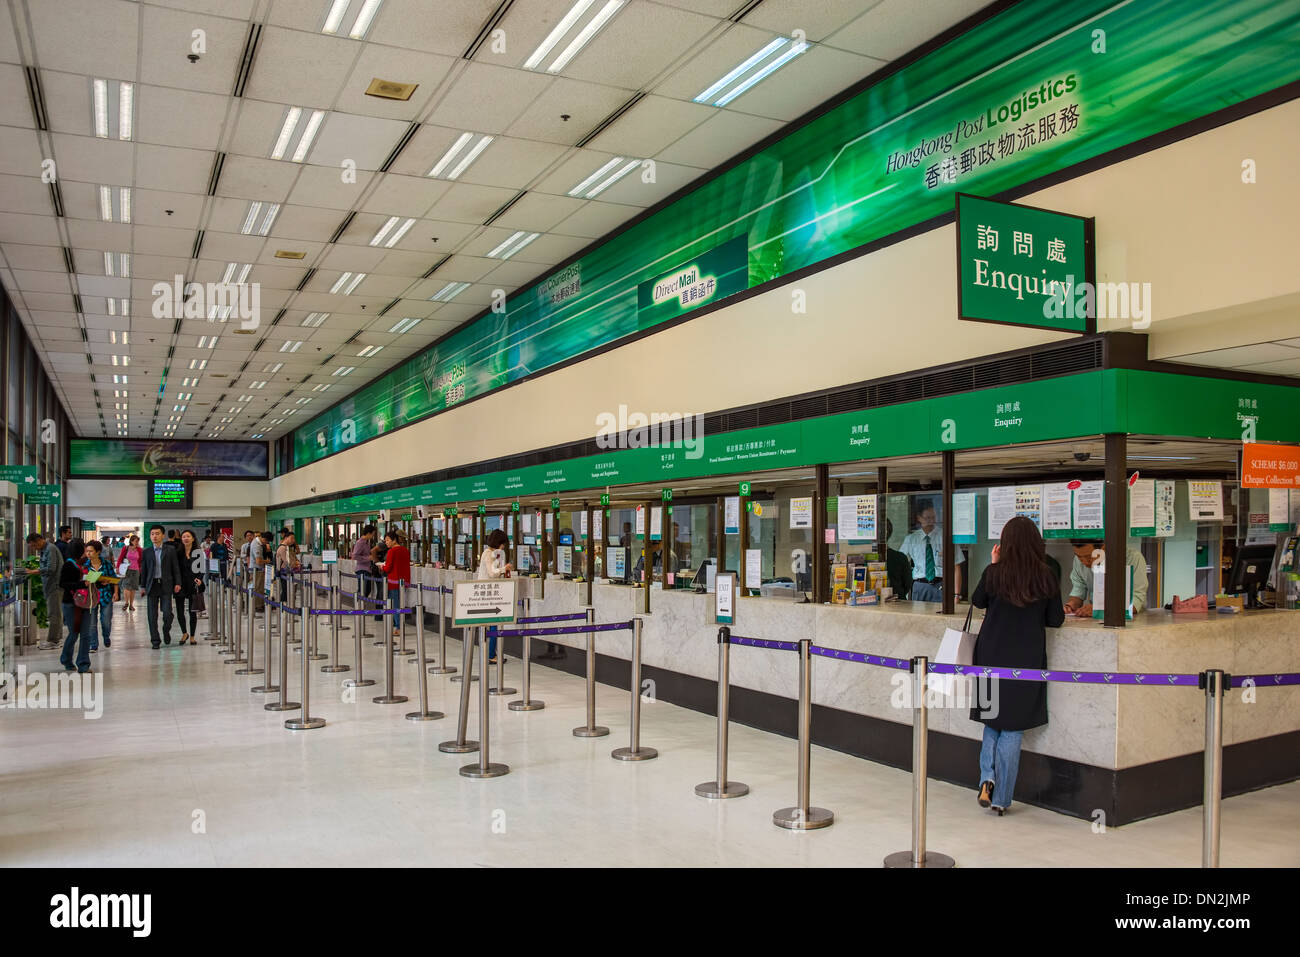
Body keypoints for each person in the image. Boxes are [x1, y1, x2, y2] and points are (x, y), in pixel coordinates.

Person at [968, 516, 1064, 816]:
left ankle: (987, 778)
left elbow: (977, 601)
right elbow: (1055, 619)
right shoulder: (1045, 575)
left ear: (1005, 543)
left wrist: (994, 562)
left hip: (990, 656)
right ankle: (1002, 799)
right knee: (1012, 728)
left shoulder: (994, 572)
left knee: (992, 719)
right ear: (1036, 542)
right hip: (1026, 659)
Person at [1064, 538, 1148, 618]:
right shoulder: (1078, 561)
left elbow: (1136, 601)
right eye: (1079, 556)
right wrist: (1071, 605)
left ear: (1103, 549)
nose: (1085, 562)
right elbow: (1078, 590)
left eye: (1089, 557)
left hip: (1129, 620)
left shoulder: (1133, 558)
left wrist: (1100, 608)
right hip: (1095, 620)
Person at [899, 502, 963, 602]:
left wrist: (957, 594)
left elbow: (956, 567)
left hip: (941, 585)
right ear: (919, 518)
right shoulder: (911, 539)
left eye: (933, 517)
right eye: (927, 518)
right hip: (919, 586)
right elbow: (901, 563)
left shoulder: (946, 537)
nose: (931, 521)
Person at [140, 524, 183, 648]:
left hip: (166, 585)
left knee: (167, 613)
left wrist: (178, 583)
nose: (155, 536)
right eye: (152, 534)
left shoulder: (170, 550)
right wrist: (143, 586)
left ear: (163, 535)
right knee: (152, 615)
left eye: (157, 534)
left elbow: (175, 567)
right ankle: (155, 640)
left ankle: (166, 630)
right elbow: (145, 570)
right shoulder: (147, 552)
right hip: (152, 585)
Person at [476, 529, 513, 664]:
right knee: (493, 626)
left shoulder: (487, 553)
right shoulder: (490, 554)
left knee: (489, 626)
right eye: (503, 544)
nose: (503, 547)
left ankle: (489, 653)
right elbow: (492, 573)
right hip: (488, 594)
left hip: (484, 592)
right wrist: (505, 568)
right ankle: (491, 655)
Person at [58, 539, 94, 673]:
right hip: (71, 603)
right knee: (74, 633)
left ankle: (83, 664)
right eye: (84, 549)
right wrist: (81, 584)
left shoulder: (84, 564)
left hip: (85, 602)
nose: (86, 552)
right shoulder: (69, 565)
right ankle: (66, 659)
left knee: (86, 634)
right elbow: (63, 584)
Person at [26, 532, 65, 650]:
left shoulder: (50, 549)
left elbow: (51, 568)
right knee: (56, 613)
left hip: (54, 585)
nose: (34, 548)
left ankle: (53, 641)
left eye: (33, 545)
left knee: (53, 613)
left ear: (39, 540)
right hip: (50, 586)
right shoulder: (45, 550)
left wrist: (34, 571)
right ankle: (56, 638)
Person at [82, 540, 117, 652]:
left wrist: (115, 593)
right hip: (91, 597)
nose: (88, 553)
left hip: (106, 595)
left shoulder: (106, 564)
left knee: (106, 621)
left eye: (91, 551)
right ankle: (94, 644)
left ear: (98, 552)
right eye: (87, 551)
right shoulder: (85, 566)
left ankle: (106, 636)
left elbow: (114, 579)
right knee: (92, 623)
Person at [376, 529, 411, 642]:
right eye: (385, 540)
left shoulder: (391, 551)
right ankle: (399, 626)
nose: (386, 542)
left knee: (395, 605)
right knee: (401, 603)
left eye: (388, 540)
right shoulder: (405, 550)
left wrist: (382, 567)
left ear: (394, 540)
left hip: (393, 581)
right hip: (403, 581)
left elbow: (388, 567)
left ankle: (398, 628)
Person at [173, 530, 204, 645]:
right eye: (183, 537)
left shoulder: (198, 552)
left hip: (193, 584)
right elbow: (174, 569)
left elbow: (202, 569)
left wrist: (200, 579)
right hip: (180, 585)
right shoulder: (177, 553)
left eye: (188, 536)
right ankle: (184, 633)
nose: (185, 538)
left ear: (193, 538)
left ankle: (192, 636)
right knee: (180, 611)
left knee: (192, 611)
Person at [881, 519, 913, 600]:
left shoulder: (900, 557)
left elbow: (908, 584)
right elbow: (907, 584)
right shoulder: (900, 557)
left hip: (897, 602)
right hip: (898, 600)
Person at [352, 524, 376, 616]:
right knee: (363, 589)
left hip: (367, 569)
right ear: (368, 533)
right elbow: (354, 556)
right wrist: (368, 558)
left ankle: (361, 606)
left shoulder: (366, 542)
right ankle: (359, 607)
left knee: (367, 589)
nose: (373, 536)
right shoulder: (360, 542)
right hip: (362, 569)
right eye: (372, 534)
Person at [275, 529, 301, 603]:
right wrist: (296, 563)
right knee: (286, 591)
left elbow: (294, 559)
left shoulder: (288, 548)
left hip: (289, 572)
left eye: (294, 538)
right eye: (292, 538)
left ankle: (288, 606)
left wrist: (296, 563)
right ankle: (284, 607)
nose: (293, 540)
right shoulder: (283, 548)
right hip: (284, 572)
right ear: (286, 538)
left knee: (290, 590)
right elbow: (289, 562)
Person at [119, 534, 143, 611]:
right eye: (135, 541)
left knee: (133, 588)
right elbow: (120, 558)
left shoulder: (139, 550)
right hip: (127, 570)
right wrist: (118, 567)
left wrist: (141, 568)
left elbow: (141, 560)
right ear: (131, 541)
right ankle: (126, 603)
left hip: (136, 570)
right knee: (126, 586)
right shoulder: (126, 548)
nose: (136, 543)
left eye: (137, 541)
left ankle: (131, 605)